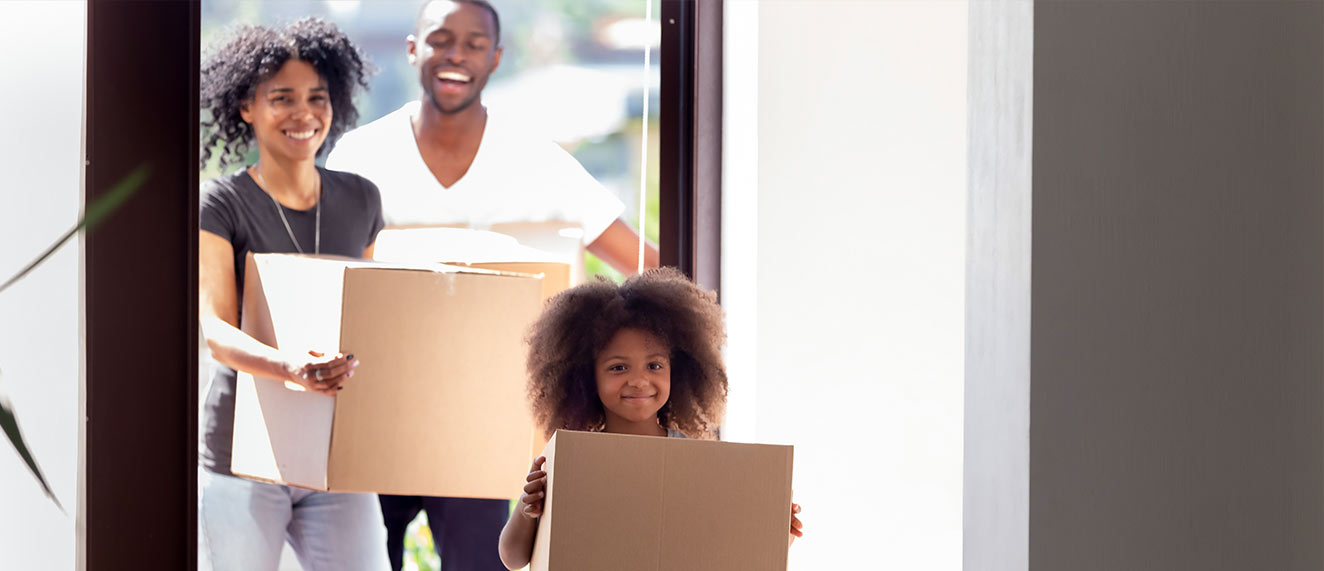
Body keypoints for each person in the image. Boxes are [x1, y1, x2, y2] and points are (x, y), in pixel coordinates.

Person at [326, 2, 658, 569]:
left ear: (496, 57)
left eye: (474, 43)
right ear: (414, 49)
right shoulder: (361, 157)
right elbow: (328, 278)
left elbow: (647, 269)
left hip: (481, 425)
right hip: (375, 411)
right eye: (441, 39)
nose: (456, 54)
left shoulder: (535, 159)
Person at [197, 19, 390, 571]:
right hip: (243, 454)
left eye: (316, 97)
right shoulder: (222, 203)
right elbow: (215, 330)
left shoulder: (362, 198)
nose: (303, 114)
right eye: (281, 98)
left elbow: (372, 320)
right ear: (246, 108)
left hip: (337, 449)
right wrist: (289, 367)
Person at [496, 268, 804, 570]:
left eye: (654, 366)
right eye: (618, 368)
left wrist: (775, 533)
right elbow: (513, 558)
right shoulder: (568, 461)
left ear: (678, 370)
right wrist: (527, 509)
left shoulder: (698, 461)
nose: (639, 381)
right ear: (586, 378)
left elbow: (722, 549)